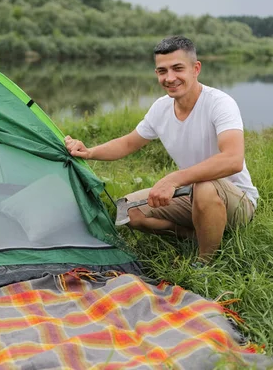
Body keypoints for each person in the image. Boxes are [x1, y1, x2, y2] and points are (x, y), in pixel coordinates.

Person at [65, 35, 258, 263]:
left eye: (177, 68)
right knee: (128, 211)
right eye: (162, 71)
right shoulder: (161, 108)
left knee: (204, 186)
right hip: (190, 195)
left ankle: (205, 263)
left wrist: (174, 179)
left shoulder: (219, 103)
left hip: (238, 202)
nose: (170, 78)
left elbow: (233, 159)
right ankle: (198, 234)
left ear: (196, 69)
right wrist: (89, 152)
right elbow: (128, 143)